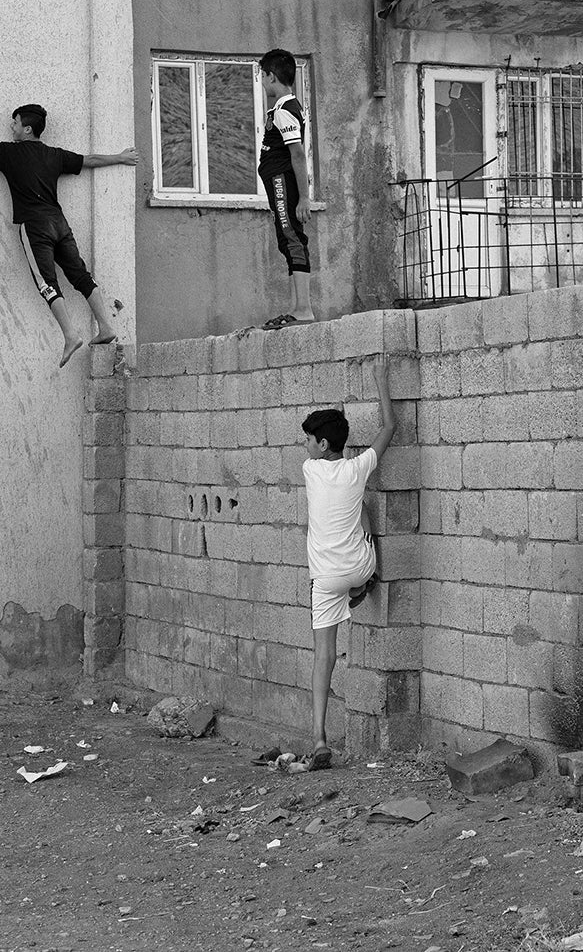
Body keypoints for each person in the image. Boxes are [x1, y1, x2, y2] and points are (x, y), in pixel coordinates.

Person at [0, 106, 139, 367]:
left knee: (47, 282)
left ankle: (70, 335)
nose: (12, 127)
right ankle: (106, 327)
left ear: (27, 129)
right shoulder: (54, 155)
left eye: (15, 123)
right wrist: (120, 157)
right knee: (80, 274)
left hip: (34, 226)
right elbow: (90, 161)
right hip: (59, 222)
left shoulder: (9, 153)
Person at [299, 358, 395, 766]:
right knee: (365, 510)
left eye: (309, 440)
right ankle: (362, 586)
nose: (305, 446)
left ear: (322, 446)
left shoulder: (310, 470)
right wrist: (380, 381)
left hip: (325, 579)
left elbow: (322, 457)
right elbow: (389, 428)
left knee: (324, 655)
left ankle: (320, 739)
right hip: (361, 565)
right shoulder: (357, 469)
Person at [257, 48, 315, 329]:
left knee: (292, 237)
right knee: (286, 238)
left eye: (262, 76)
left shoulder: (285, 111)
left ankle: (303, 308)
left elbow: (298, 154)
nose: (262, 82)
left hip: (282, 181)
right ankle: (297, 307)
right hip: (277, 181)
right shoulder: (281, 108)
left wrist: (304, 197)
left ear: (270, 76)